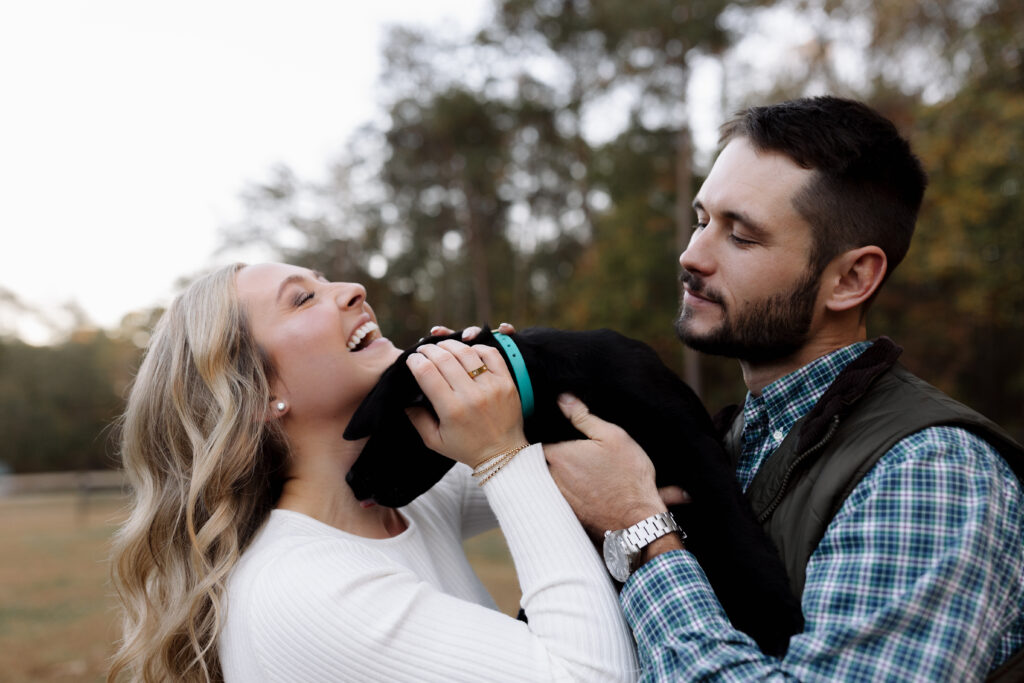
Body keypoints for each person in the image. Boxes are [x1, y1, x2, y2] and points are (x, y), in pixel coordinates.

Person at [544, 96, 1024, 681]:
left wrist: (640, 530)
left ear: (850, 278)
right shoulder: (730, 442)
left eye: (741, 237)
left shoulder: (931, 470)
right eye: (702, 221)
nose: (691, 255)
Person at [108, 262, 638, 682]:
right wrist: (502, 453)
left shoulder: (400, 497)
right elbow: (591, 673)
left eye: (323, 279)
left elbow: (592, 457)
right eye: (303, 298)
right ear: (259, 395)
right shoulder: (302, 590)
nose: (353, 289)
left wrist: (520, 376)